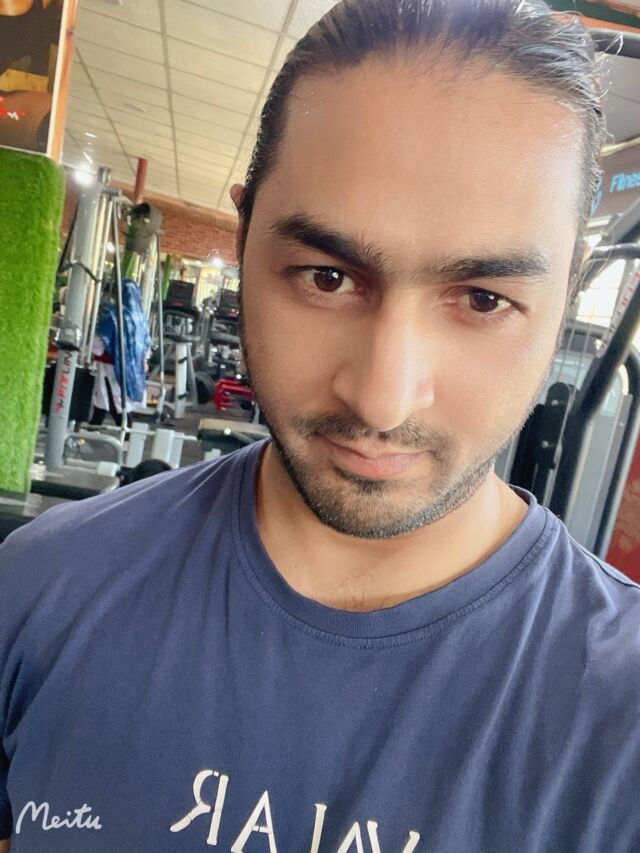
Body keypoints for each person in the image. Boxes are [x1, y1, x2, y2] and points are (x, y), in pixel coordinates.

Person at [1, 0, 639, 850]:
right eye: (327, 278)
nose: (381, 399)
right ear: (245, 237)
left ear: (567, 294)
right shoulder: (40, 588)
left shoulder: (621, 728)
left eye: (484, 299)